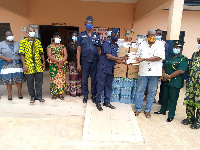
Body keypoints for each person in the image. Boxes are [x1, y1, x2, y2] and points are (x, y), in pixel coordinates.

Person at [154, 40, 188, 122]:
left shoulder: (183, 59)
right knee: (164, 97)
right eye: (174, 47)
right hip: (166, 81)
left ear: (181, 49)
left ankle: (171, 115)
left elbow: (181, 71)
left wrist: (169, 76)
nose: (175, 49)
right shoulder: (169, 57)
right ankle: (162, 110)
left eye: (178, 47)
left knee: (173, 99)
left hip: (175, 82)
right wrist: (163, 75)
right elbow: (163, 66)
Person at [134, 29, 165, 118]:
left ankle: (147, 110)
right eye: (150, 35)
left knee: (151, 92)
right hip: (143, 71)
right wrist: (134, 58)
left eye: (154, 35)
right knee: (140, 90)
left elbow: (159, 57)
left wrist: (144, 59)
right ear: (147, 36)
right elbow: (138, 55)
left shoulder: (160, 44)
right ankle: (138, 108)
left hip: (154, 72)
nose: (152, 37)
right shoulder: (142, 44)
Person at [95, 28, 125, 111]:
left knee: (108, 86)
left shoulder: (117, 46)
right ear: (111, 35)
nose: (116, 36)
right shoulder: (106, 43)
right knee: (100, 86)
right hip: (103, 68)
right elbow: (109, 56)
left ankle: (106, 102)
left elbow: (116, 59)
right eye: (114, 35)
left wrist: (124, 62)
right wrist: (121, 58)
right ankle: (98, 102)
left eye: (117, 35)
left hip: (110, 69)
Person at [77, 16, 101, 103]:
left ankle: (93, 95)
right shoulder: (81, 35)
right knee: (84, 80)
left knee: (94, 79)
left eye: (91, 23)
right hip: (85, 62)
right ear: (85, 24)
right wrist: (78, 64)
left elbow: (99, 49)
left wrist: (100, 62)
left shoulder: (96, 35)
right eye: (88, 23)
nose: (89, 24)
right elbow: (79, 50)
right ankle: (86, 95)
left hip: (95, 62)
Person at [19, 26, 45, 103]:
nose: (33, 33)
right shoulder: (23, 42)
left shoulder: (38, 42)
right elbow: (21, 54)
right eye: (31, 31)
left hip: (38, 65)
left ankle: (39, 96)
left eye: (34, 31)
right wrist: (24, 65)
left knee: (39, 82)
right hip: (28, 66)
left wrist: (43, 62)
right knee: (30, 82)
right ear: (27, 32)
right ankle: (32, 96)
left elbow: (41, 52)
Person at [0, 30, 25, 100]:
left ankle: (19, 93)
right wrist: (6, 58)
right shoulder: (1, 44)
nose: (10, 36)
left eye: (11, 34)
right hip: (6, 64)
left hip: (17, 64)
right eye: (8, 35)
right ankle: (9, 94)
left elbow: (21, 53)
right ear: (5, 36)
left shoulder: (17, 43)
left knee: (19, 79)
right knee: (8, 80)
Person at [181, 38, 200, 129]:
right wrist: (188, 81)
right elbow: (191, 67)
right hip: (192, 84)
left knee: (199, 103)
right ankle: (190, 118)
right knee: (190, 102)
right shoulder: (195, 54)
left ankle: (198, 122)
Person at [47, 32, 67, 100]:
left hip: (61, 65)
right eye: (56, 37)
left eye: (58, 37)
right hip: (53, 65)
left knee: (61, 79)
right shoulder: (50, 46)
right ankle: (54, 94)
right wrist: (58, 61)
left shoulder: (63, 46)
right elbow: (49, 56)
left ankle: (60, 93)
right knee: (54, 79)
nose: (57, 39)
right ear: (53, 38)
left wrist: (61, 62)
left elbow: (66, 55)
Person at [66, 31, 82, 97]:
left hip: (79, 63)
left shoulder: (80, 45)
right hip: (71, 63)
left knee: (79, 78)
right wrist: (67, 64)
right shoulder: (69, 45)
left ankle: (78, 91)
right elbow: (67, 55)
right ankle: (72, 91)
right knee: (72, 77)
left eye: (76, 36)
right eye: (73, 35)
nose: (74, 37)